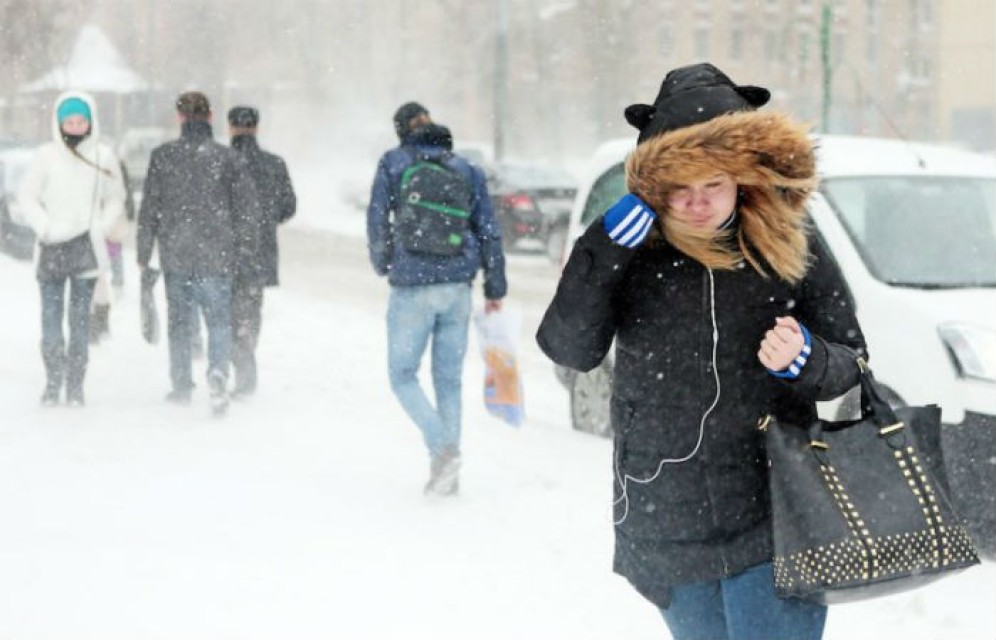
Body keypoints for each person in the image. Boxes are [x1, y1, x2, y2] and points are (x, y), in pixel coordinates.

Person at [536, 63, 868, 640]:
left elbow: (853, 366)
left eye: (712, 185)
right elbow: (570, 348)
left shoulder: (792, 242)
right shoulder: (630, 252)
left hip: (776, 507)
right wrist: (599, 250)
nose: (695, 204)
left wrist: (809, 361)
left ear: (743, 179)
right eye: (679, 189)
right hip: (666, 510)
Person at [366, 102, 507, 496]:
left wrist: (384, 263)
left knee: (402, 375)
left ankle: (442, 451)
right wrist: (494, 286)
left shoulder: (394, 163)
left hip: (411, 284)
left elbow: (378, 218)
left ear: (401, 131)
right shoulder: (466, 170)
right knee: (447, 380)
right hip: (457, 286)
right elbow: (489, 231)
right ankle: (449, 474)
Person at [136, 91, 262, 417]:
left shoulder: (163, 156)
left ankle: (181, 386)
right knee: (219, 322)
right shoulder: (227, 158)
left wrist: (143, 251)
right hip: (217, 255)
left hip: (176, 252)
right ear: (210, 116)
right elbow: (247, 210)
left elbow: (150, 208)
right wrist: (243, 248)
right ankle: (218, 371)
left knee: (179, 323)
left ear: (180, 118)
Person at [17, 91, 126, 406]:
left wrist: (100, 227)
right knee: (50, 321)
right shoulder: (45, 156)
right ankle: (53, 383)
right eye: (69, 121)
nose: (75, 126)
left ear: (90, 122)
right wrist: (46, 226)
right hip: (52, 246)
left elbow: (116, 197)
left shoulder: (103, 156)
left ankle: (76, 386)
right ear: (59, 121)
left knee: (79, 322)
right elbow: (27, 197)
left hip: (86, 249)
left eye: (81, 121)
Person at [226, 105, 297, 398]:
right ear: (257, 126)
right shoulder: (274, 164)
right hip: (261, 250)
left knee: (226, 311)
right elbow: (289, 207)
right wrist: (267, 219)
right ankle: (246, 357)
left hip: (226, 250)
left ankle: (238, 366)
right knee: (251, 311)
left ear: (230, 127)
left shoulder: (222, 161)